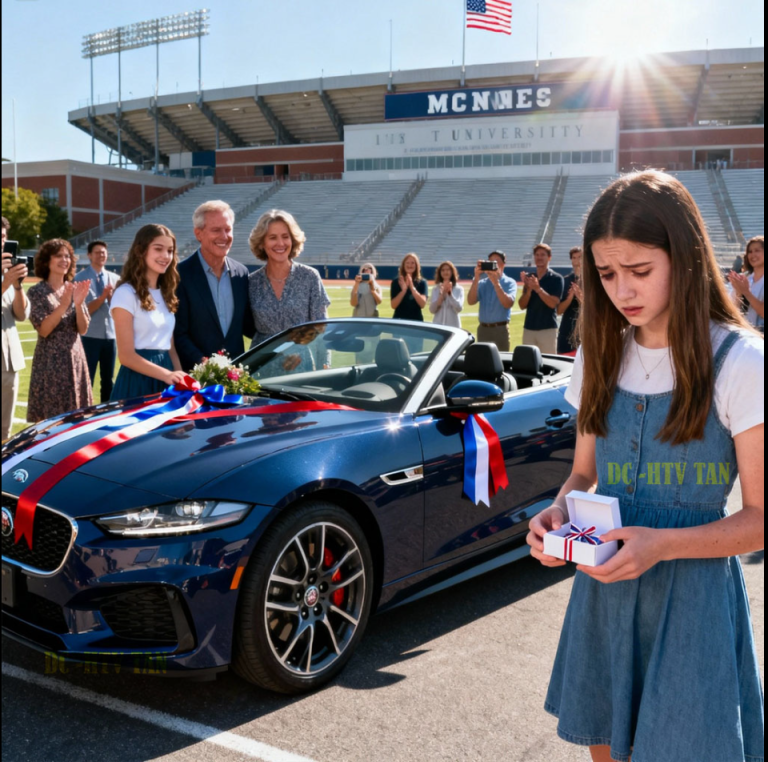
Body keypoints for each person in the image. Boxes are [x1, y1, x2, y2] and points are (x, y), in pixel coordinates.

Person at [526, 171, 764, 762]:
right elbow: (583, 476)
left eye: (639, 271)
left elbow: (761, 518)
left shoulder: (741, 361)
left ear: (683, 259)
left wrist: (661, 543)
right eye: (606, 275)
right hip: (604, 594)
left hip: (693, 602)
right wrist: (557, 515)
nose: (621, 291)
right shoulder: (598, 354)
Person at [174, 200, 255, 371]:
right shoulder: (179, 275)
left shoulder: (241, 273)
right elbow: (178, 333)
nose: (224, 237)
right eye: (216, 230)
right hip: (195, 378)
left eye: (228, 229)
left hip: (235, 377)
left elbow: (249, 326)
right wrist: (205, 364)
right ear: (198, 234)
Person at [110, 224, 186, 400]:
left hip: (166, 377)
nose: (165, 256)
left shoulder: (167, 293)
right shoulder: (125, 293)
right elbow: (126, 356)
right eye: (158, 249)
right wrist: (166, 375)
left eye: (170, 250)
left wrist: (180, 377)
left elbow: (170, 347)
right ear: (141, 251)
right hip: (138, 381)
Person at [248, 209, 331, 357]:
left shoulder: (309, 277)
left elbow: (321, 329)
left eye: (285, 237)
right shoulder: (251, 282)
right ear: (262, 243)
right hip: (261, 365)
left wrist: (325, 366)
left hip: (301, 364)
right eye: (272, 237)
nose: (280, 243)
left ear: (292, 240)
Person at [26, 239, 92, 423]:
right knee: (50, 424)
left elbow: (83, 329)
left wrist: (78, 304)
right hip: (51, 364)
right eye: (58, 256)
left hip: (75, 360)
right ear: (47, 261)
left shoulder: (72, 288)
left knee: (76, 420)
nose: (64, 260)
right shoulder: (36, 292)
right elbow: (44, 330)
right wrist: (63, 305)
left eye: (67, 256)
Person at [74, 239, 120, 402]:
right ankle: (83, 413)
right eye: (97, 252)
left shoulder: (115, 278)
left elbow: (120, 310)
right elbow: (86, 309)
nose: (101, 255)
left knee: (108, 379)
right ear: (89, 255)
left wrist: (112, 297)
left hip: (111, 336)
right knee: (87, 378)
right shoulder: (80, 278)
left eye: (103, 252)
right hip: (90, 336)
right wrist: (103, 297)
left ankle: (105, 412)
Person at [1, 217, 30, 440]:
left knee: (4, 430)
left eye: (3, 237)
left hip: (8, 360)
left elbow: (21, 315)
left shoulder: (8, 273)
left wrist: (17, 285)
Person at [467, 250, 517, 351]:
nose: (493, 265)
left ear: (503, 264)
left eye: (496, 262)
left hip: (500, 329)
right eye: (490, 262)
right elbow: (471, 301)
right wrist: (476, 278)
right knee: (483, 362)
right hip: (483, 329)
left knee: (501, 361)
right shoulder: (482, 283)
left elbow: (508, 303)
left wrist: (496, 283)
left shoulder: (509, 282)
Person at [518, 243, 564, 354]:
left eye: (543, 255)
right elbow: (522, 305)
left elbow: (553, 304)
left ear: (549, 257)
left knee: (548, 363)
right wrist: (528, 290)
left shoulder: (557, 278)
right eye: (537, 255)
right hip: (529, 328)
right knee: (528, 363)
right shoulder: (530, 277)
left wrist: (538, 289)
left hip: (547, 329)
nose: (539, 257)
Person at [728, 235, 764, 333]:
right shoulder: (745, 278)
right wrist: (739, 292)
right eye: (750, 252)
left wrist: (746, 292)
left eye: (757, 250)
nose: (753, 255)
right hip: (746, 334)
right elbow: (732, 310)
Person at [556, 246, 583, 355]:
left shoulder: (593, 281)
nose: (577, 261)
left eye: (580, 257)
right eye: (574, 257)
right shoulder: (566, 280)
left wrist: (581, 298)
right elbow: (559, 311)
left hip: (585, 331)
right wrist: (570, 296)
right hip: (566, 332)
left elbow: (596, 310)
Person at [390, 252, 428, 321]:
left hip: (416, 321)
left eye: (412, 263)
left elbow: (422, 304)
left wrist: (412, 288)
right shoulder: (396, 282)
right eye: (407, 263)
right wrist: (403, 291)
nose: (410, 265)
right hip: (399, 320)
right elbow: (393, 305)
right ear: (403, 265)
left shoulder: (422, 282)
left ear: (417, 265)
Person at [429, 260, 465, 328]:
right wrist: (441, 296)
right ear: (440, 273)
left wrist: (450, 294)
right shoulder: (436, 289)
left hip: (454, 326)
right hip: (438, 326)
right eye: (443, 270)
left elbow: (458, 308)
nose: (445, 272)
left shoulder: (459, 289)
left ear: (452, 272)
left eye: (448, 270)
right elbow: (432, 310)